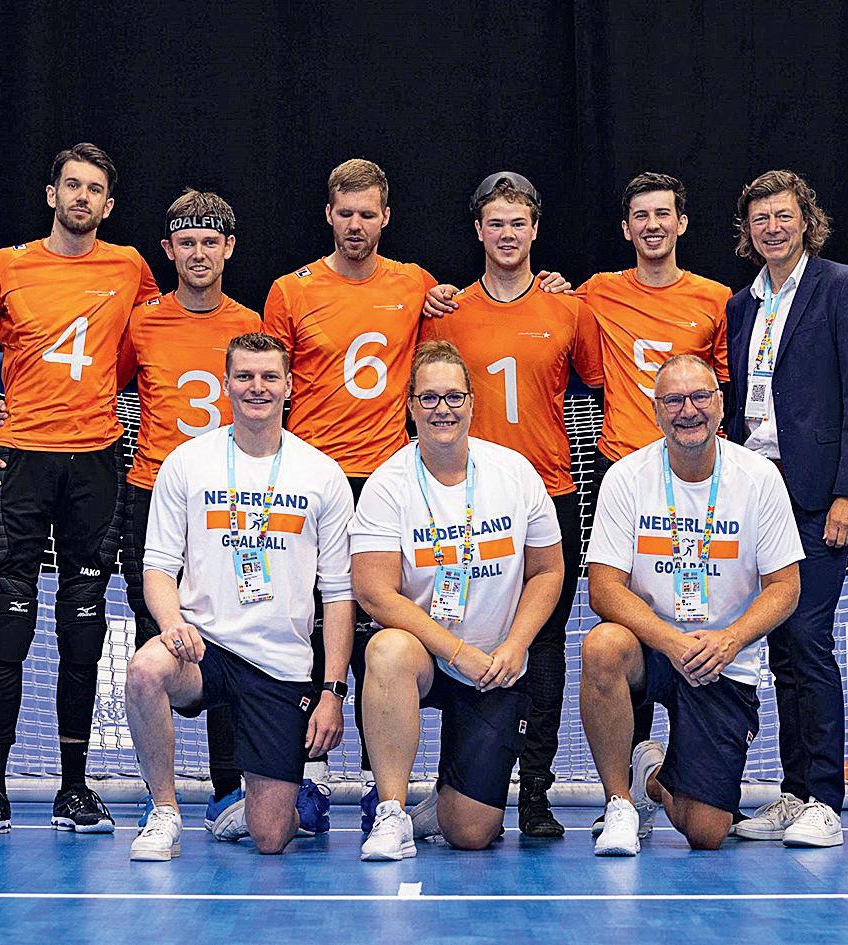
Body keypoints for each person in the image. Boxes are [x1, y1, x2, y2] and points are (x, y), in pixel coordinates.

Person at [261, 159, 568, 802]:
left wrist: (551, 287)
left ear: (386, 218)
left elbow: (444, 359)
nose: (356, 224)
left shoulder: (418, 286)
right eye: (345, 213)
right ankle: (308, 773)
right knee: (305, 620)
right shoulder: (290, 291)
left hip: (387, 475)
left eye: (367, 213)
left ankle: (384, 782)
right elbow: (269, 381)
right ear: (328, 215)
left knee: (381, 634)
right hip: (314, 479)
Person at [0, 142, 158, 837]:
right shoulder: (6, 264)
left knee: (83, 628)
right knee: (10, 623)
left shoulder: (130, 266)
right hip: (19, 463)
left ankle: (74, 788)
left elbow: (156, 339)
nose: (82, 197)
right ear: (51, 194)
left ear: (108, 206)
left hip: (95, 463)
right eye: (72, 185)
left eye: (95, 189)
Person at [420, 171, 601, 836]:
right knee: (457, 627)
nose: (506, 234)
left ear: (534, 230)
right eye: (494, 222)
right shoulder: (445, 312)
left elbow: (602, 382)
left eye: (517, 223)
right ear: (477, 230)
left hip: (548, 492)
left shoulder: (568, 309)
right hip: (463, 499)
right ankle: (457, 782)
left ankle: (535, 792)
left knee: (543, 642)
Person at [124, 332, 353, 859]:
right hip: (203, 648)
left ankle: (264, 805)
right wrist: (172, 623)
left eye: (270, 376)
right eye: (245, 376)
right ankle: (164, 812)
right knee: (144, 670)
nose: (257, 387)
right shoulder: (187, 462)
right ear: (225, 383)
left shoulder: (322, 474)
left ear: (290, 385)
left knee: (271, 838)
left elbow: (339, 594)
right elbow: (157, 567)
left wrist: (332, 692)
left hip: (279, 661)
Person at [349, 341, 564, 860]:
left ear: (471, 402)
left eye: (452, 396)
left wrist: (516, 645)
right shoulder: (387, 484)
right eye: (428, 398)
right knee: (386, 650)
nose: (441, 409)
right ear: (409, 405)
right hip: (427, 653)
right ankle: (392, 812)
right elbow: (374, 590)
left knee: (470, 834)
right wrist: (455, 651)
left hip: (493, 664)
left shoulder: (515, 472)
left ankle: (442, 806)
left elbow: (548, 571)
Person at [580, 354, 802, 855]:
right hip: (654, 647)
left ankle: (652, 777)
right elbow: (603, 588)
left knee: (706, 831)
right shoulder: (626, 476)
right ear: (656, 411)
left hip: (722, 657)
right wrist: (671, 642)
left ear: (720, 405)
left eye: (700, 396)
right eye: (674, 400)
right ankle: (619, 804)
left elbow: (785, 587)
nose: (689, 410)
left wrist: (731, 639)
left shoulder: (759, 477)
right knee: (602, 645)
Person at [723, 170, 848, 848]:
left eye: (783, 215)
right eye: (760, 218)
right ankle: (794, 794)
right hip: (753, 493)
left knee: (809, 639)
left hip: (817, 496)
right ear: (747, 230)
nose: (772, 227)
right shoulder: (740, 305)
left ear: (806, 220)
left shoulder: (845, 287)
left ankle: (825, 799)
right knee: (782, 650)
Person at [116, 190, 260, 832]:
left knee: (232, 632)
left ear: (228, 248)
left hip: (231, 496)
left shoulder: (252, 322)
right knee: (155, 637)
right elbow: (104, 384)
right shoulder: (141, 322)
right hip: (152, 493)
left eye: (210, 241)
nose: (198, 253)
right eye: (186, 242)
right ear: (168, 251)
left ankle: (230, 789)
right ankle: (161, 798)